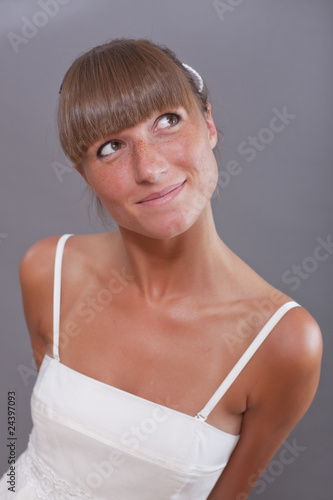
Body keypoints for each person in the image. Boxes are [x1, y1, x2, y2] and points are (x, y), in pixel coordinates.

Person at [0, 38, 322, 500]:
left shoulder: (285, 342)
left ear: (208, 123)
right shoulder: (48, 269)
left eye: (167, 121)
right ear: (83, 173)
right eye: (111, 147)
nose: (149, 168)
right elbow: (30, 431)